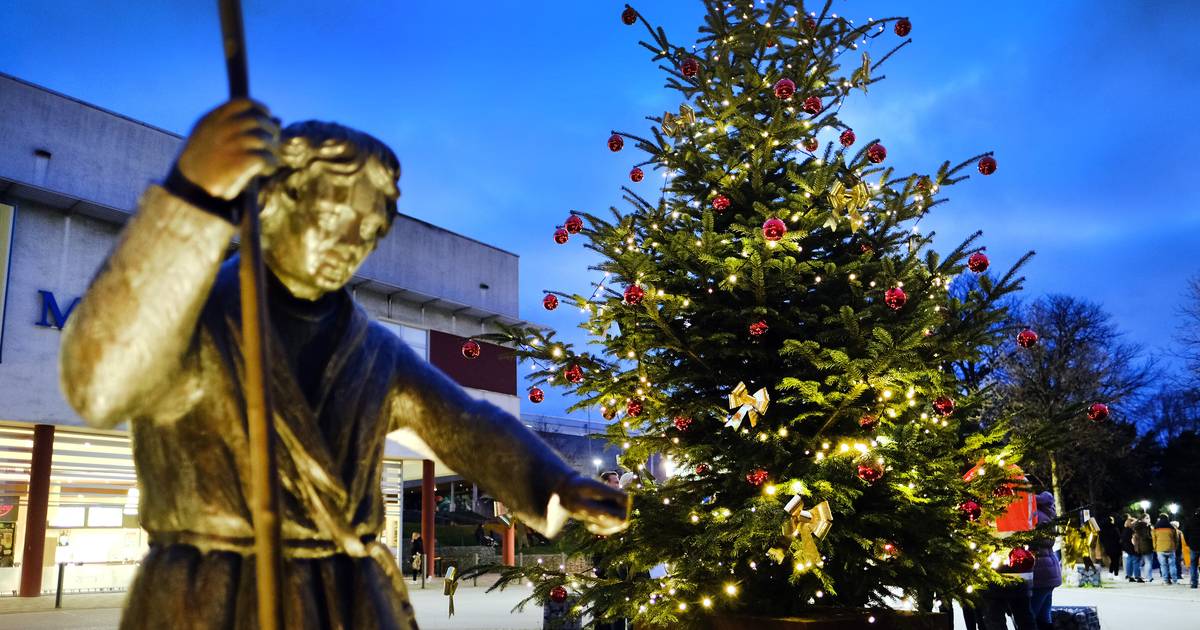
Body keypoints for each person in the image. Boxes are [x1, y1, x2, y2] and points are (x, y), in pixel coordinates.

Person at [59, 100, 629, 630]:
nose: (352, 241)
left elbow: (466, 426)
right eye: (333, 218)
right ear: (274, 201)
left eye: (369, 228)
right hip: (214, 596)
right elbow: (99, 384)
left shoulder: (370, 349)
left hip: (348, 594)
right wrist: (192, 195)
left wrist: (559, 484)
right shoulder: (189, 316)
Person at [1029, 492, 1061, 630]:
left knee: (1030, 616)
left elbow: (1034, 540)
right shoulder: (1047, 512)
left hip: (1040, 570)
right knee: (1044, 616)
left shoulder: (1036, 515)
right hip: (1050, 568)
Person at [1153, 513, 1179, 584]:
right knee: (1172, 565)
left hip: (1160, 548)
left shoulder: (1155, 527)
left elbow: (1154, 539)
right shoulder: (1172, 527)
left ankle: (1166, 580)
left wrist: (1155, 548)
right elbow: (1176, 538)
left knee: (1163, 565)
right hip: (1171, 548)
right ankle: (1174, 580)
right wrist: (1175, 546)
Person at [1133, 513, 1155, 582]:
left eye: (1149, 518)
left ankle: (1148, 576)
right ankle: (1148, 577)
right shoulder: (1145, 526)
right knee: (1148, 562)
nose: (1149, 519)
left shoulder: (1137, 526)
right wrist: (1152, 538)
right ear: (1142, 519)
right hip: (1147, 546)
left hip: (1139, 546)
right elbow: (1147, 536)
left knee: (1144, 562)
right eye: (1147, 518)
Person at [1184, 509, 1200, 589]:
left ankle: (1194, 583)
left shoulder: (1190, 520)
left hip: (1193, 545)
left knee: (1194, 565)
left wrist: (1188, 543)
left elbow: (1185, 532)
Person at [1121, 515, 1138, 582]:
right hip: (1130, 547)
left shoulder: (1125, 530)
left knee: (1129, 560)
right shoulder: (1130, 531)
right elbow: (1132, 540)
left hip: (1126, 547)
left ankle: (1129, 575)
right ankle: (1133, 575)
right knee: (1133, 561)